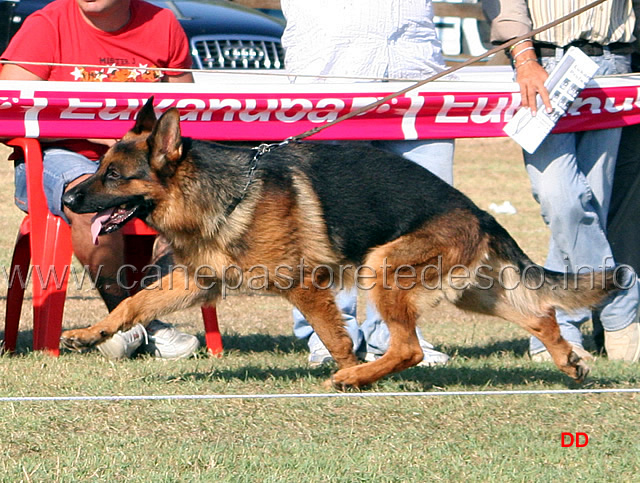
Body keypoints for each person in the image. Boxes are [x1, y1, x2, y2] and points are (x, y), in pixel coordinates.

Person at [0, 0, 200, 360]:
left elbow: (184, 111)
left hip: (138, 161)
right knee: (90, 198)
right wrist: (94, 131)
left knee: (193, 197)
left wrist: (135, 146)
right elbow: (7, 112)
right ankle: (129, 322)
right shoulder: (46, 24)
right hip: (60, 154)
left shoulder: (163, 24)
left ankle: (148, 314)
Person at [281, 0, 453, 367]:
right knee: (327, 225)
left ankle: (398, 331)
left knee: (425, 223)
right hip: (328, 82)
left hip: (416, 77)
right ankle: (328, 335)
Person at [486, 0, 640, 361]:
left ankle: (557, 327)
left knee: (593, 205)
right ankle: (621, 312)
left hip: (615, 63)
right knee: (561, 199)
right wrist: (525, 59)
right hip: (542, 65)